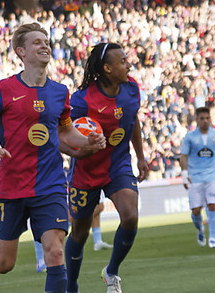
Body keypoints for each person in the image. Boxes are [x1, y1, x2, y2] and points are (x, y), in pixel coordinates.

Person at [0, 23, 105, 293]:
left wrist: (87, 140)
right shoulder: (3, 89)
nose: (44, 45)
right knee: (3, 264)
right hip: (12, 185)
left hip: (50, 184)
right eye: (37, 42)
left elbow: (66, 132)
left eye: (46, 42)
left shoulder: (59, 92)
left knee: (54, 251)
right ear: (21, 51)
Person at [59, 42, 149, 293]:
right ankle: (71, 285)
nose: (129, 65)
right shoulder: (82, 100)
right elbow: (62, 134)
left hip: (118, 165)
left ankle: (112, 271)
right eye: (123, 61)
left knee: (130, 216)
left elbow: (132, 120)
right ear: (107, 68)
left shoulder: (132, 89)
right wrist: (81, 149)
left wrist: (141, 157)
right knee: (79, 234)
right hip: (85, 172)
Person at [179, 106, 215, 248]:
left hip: (212, 176)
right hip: (195, 177)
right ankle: (200, 230)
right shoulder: (190, 137)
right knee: (196, 211)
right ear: (197, 120)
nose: (205, 121)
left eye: (207, 118)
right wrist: (184, 175)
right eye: (202, 118)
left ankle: (212, 239)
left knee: (213, 205)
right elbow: (183, 156)